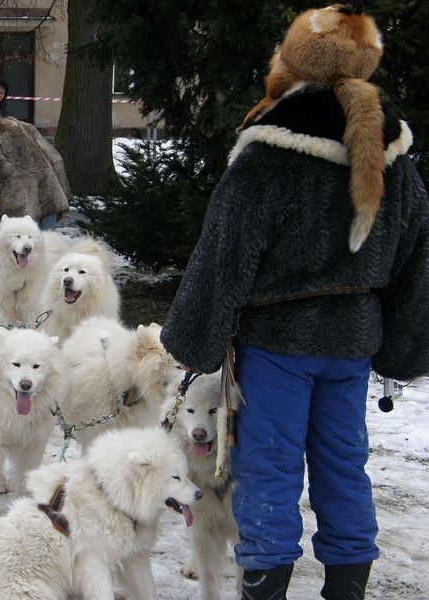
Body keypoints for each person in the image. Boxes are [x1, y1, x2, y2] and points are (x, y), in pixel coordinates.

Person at [159, 5, 429, 600]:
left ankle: (266, 584)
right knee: (343, 462)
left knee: (270, 466)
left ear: (293, 61)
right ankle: (347, 588)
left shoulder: (268, 151)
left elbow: (224, 252)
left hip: (278, 341)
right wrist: (405, 345)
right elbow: (416, 251)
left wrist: (193, 338)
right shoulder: (397, 152)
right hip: (353, 337)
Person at [0, 96, 71, 258]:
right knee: (46, 260)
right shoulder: (17, 124)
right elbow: (55, 158)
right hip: (50, 199)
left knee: (21, 268)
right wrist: (63, 199)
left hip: (19, 211)